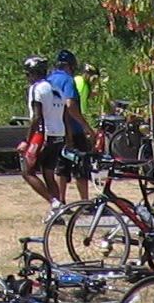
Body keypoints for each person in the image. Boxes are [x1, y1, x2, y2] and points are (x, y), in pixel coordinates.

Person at [47, 51, 97, 202]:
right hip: (73, 130)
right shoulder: (68, 80)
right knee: (81, 167)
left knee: (61, 169)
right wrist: (87, 127)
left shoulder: (49, 80)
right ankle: (85, 202)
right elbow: (70, 106)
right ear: (71, 65)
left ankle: (60, 201)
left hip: (55, 130)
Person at [20, 56, 69, 209]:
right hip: (59, 133)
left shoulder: (37, 88)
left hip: (43, 134)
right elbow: (65, 115)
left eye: (28, 74)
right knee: (48, 173)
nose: (27, 78)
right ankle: (58, 209)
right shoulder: (57, 89)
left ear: (34, 73)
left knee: (27, 171)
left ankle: (54, 203)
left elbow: (36, 116)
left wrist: (27, 141)